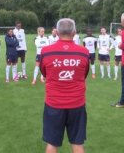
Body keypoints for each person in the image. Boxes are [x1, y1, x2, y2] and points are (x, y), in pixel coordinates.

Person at [40, 18, 89, 153]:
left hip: (54, 104)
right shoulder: (83, 52)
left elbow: (44, 73)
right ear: (74, 32)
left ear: (57, 32)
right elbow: (83, 75)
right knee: (77, 144)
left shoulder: (46, 51)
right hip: (77, 104)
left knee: (52, 143)